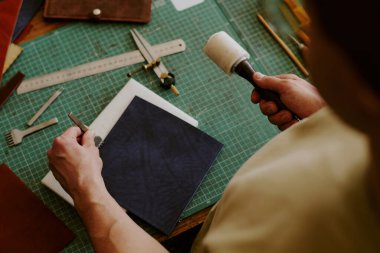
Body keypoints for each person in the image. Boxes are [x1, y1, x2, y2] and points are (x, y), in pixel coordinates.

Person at [47, 1, 380, 252]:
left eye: (313, 24)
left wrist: (87, 188)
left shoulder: (294, 234)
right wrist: (330, 113)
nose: (305, 46)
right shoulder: (358, 127)